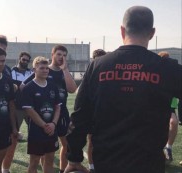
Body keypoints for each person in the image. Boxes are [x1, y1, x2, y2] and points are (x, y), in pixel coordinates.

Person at [64, 6, 182, 173]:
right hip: (149, 163)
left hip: (106, 161)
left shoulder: (97, 66)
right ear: (152, 32)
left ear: (122, 30)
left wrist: (74, 157)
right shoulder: (168, 68)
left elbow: (79, 116)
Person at [21, 45, 77, 173]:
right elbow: (23, 86)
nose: (61, 57)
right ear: (52, 55)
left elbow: (72, 89)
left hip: (60, 114)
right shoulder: (42, 72)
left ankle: (63, 170)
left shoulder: (64, 72)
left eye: (64, 55)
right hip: (41, 117)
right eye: (59, 54)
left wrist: (65, 70)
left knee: (65, 144)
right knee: (39, 155)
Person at [21, 56, 61, 173]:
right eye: (41, 68)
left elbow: (57, 107)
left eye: (46, 68)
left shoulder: (53, 86)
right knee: (34, 162)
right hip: (36, 130)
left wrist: (53, 124)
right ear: (34, 70)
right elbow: (30, 110)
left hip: (52, 129)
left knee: (49, 160)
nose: (45, 70)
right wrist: (44, 125)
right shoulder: (29, 88)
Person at [2, 52, 32, 173]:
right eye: (23, 59)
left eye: (27, 60)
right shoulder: (11, 72)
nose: (25, 62)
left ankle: (35, 163)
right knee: (12, 137)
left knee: (36, 136)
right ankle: (5, 168)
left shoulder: (31, 73)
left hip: (30, 108)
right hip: (17, 108)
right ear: (19, 59)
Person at [87, 49, 106, 173]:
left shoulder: (108, 73)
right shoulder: (90, 73)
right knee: (91, 140)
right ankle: (91, 166)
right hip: (92, 113)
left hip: (106, 112)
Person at [158, 51, 179, 162]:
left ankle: (168, 147)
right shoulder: (155, 72)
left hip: (169, 102)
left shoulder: (173, 73)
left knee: (173, 122)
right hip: (155, 104)